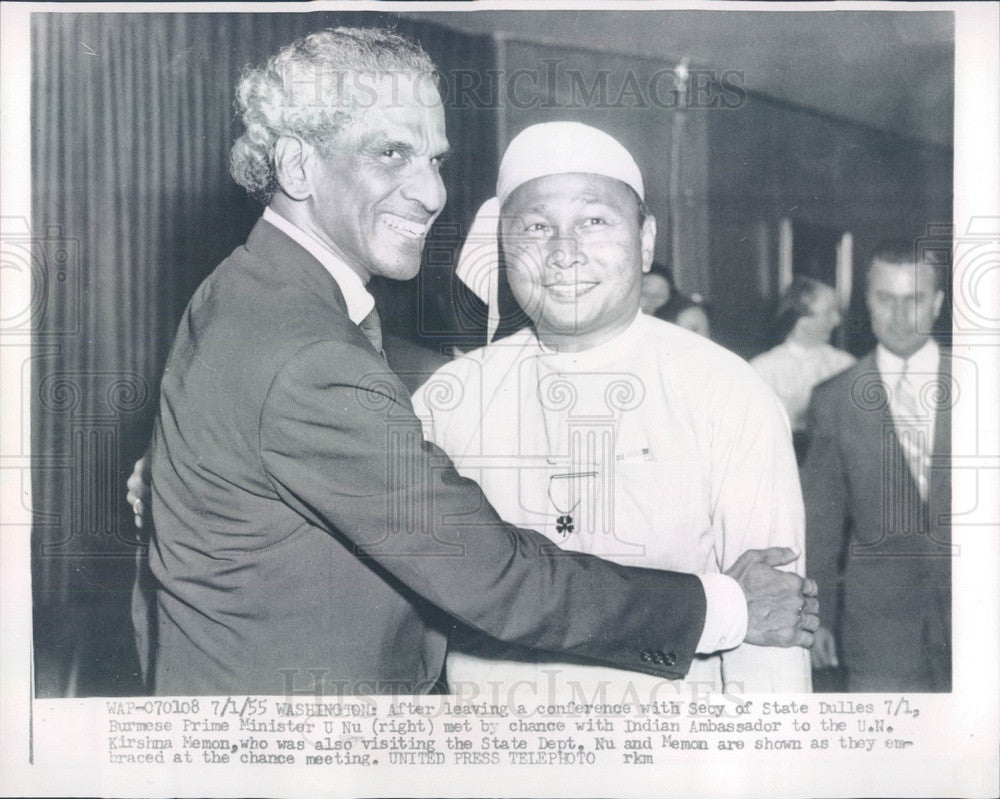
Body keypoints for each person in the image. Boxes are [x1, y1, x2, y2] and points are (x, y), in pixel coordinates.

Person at [129, 28, 818, 697]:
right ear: (299, 166)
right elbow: (493, 577)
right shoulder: (333, 360)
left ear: (647, 241)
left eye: (435, 160)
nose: (431, 193)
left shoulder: (251, 293)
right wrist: (726, 608)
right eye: (392, 153)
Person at [412, 121, 811, 695]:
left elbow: (771, 628)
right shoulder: (448, 401)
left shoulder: (727, 391)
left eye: (594, 221)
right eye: (536, 227)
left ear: (646, 240)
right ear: (503, 246)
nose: (564, 253)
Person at [803, 248, 950, 691]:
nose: (901, 315)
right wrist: (818, 618)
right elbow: (821, 523)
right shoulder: (834, 399)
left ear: (939, 303)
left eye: (916, 299)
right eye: (887, 299)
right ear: (866, 302)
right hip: (880, 635)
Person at [751, 276, 855, 461]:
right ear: (802, 318)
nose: (837, 320)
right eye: (829, 312)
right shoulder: (763, 370)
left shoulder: (845, 365)